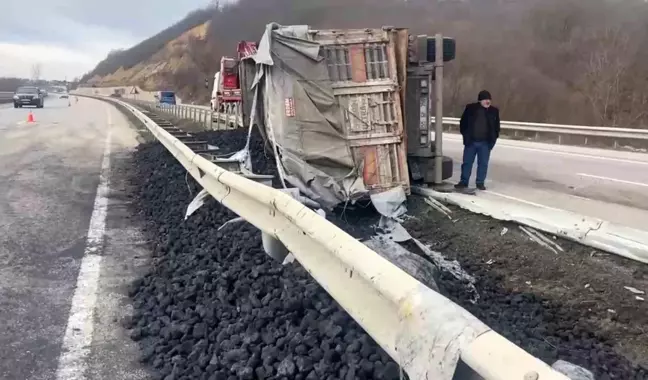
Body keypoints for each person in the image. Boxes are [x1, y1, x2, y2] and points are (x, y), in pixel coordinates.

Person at [455, 90, 500, 191]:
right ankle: (464, 181)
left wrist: (492, 141)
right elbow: (463, 123)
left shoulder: (494, 111)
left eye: (489, 100)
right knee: (467, 163)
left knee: (483, 164)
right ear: (480, 100)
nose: (487, 102)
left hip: (485, 143)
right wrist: (466, 137)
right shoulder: (471, 109)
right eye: (485, 100)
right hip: (471, 142)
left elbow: (497, 127)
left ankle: (480, 183)